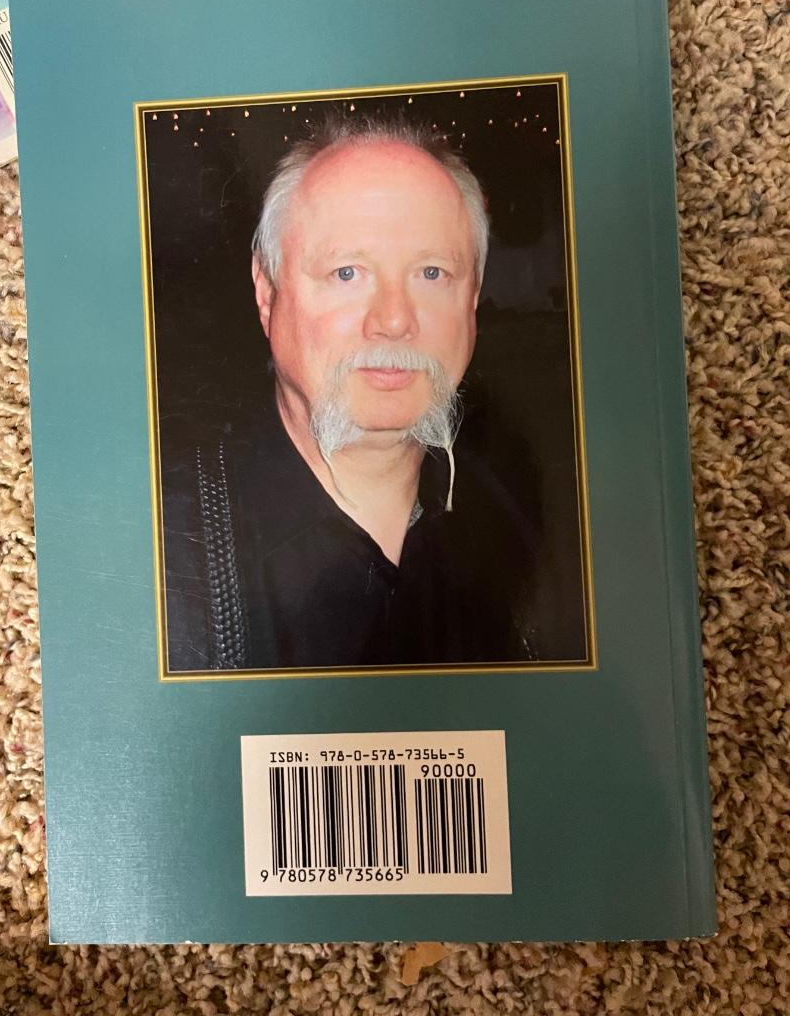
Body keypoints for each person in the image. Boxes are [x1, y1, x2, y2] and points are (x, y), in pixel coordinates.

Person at [163, 115, 555, 672]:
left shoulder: (536, 544)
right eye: (347, 273)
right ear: (267, 293)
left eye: (431, 273)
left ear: (473, 299)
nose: (394, 321)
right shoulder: (161, 550)